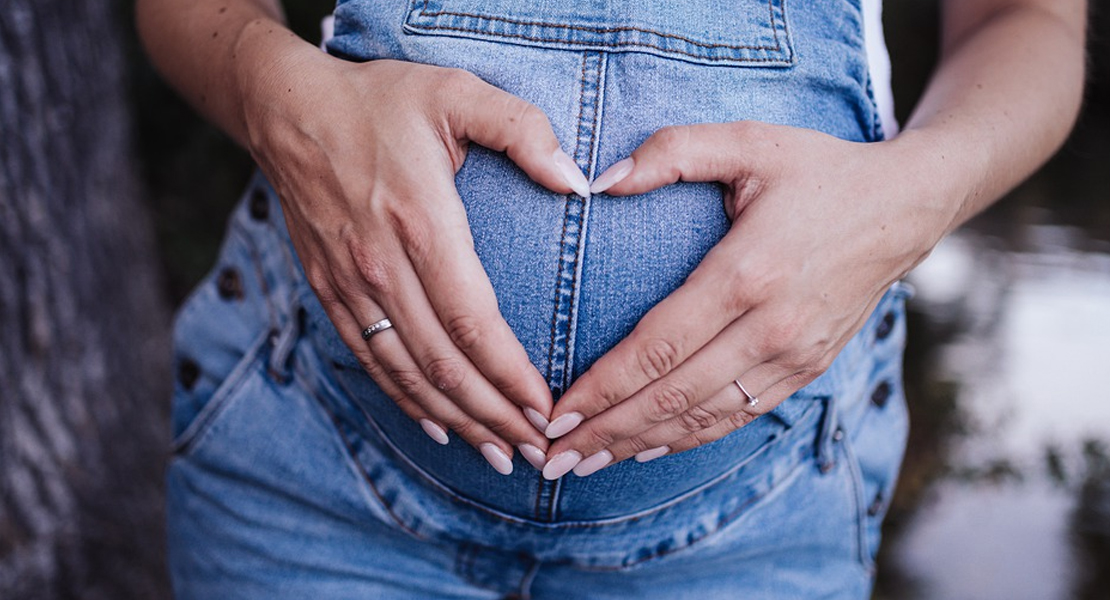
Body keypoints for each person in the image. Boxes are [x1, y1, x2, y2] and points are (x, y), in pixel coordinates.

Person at [137, 0, 1086, 597]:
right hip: (314, 477)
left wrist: (912, 199)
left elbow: (1028, 21)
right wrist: (274, 93)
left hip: (756, 525)